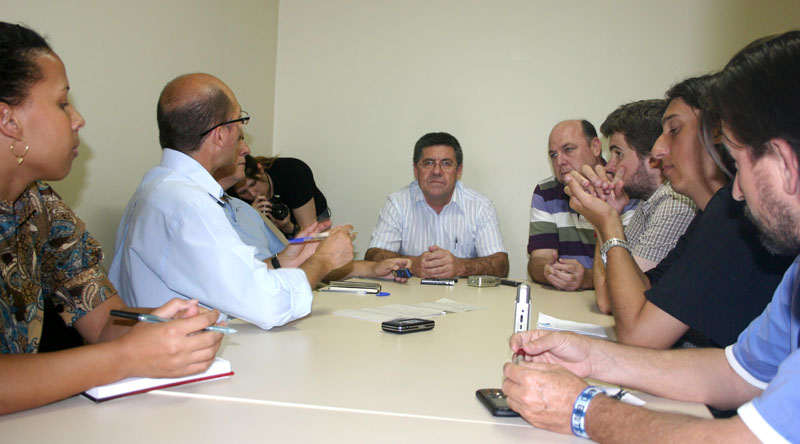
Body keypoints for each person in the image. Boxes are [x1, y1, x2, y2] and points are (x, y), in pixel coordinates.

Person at [502, 30, 800, 443]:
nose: (735, 189)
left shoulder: (726, 217)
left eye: (738, 159)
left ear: (785, 162)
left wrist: (581, 409)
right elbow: (734, 372)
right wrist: (591, 357)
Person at [0, 22, 222, 415]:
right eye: (62, 102)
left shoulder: (40, 207)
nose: (78, 119)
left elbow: (103, 322)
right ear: (9, 121)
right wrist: (124, 358)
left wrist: (159, 323)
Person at [109, 73, 355, 330]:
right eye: (240, 122)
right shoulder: (188, 205)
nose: (244, 144)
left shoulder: (156, 188)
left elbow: (229, 280)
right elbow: (268, 306)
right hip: (188, 359)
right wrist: (325, 260)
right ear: (219, 135)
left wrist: (286, 261)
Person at [566, 75, 793, 349]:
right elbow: (637, 296)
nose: (658, 150)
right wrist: (607, 220)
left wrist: (609, 223)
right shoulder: (707, 215)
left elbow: (640, 335)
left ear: (717, 135)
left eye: (674, 130)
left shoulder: (732, 217)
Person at [213, 156, 413, 280]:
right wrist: (324, 258)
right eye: (238, 139)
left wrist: (371, 269)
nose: (246, 148)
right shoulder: (207, 214)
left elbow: (300, 261)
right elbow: (257, 276)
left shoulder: (246, 211)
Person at [589, 100, 697, 313]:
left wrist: (606, 218)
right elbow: (606, 296)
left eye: (618, 153)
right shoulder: (647, 202)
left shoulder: (674, 204)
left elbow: (614, 303)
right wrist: (606, 215)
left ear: (653, 158)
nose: (609, 166)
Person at [364, 132, 508, 278]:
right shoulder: (397, 203)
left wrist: (461, 267)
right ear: (415, 170)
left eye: (446, 163)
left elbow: (501, 266)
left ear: (458, 171)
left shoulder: (480, 207)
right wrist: (413, 264)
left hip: (463, 297)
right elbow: (373, 257)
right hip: (410, 295)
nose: (437, 171)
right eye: (428, 163)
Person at [527, 120, 638, 291]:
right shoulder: (545, 192)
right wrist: (548, 271)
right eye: (553, 155)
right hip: (564, 303)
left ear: (595, 147)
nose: (560, 161)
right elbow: (538, 260)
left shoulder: (622, 189)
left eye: (568, 149)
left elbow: (636, 272)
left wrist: (587, 278)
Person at [233, 154, 329, 239]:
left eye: (253, 184)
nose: (253, 194)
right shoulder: (231, 194)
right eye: (243, 192)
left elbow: (310, 235)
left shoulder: (292, 172)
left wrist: (289, 228)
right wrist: (252, 217)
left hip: (311, 217)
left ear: (260, 169)